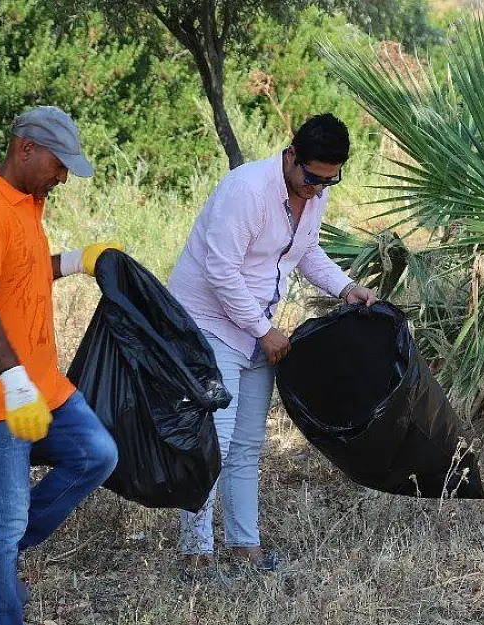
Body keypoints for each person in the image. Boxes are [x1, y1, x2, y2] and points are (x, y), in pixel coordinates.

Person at [168, 113, 377, 573]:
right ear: (291, 155)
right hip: (208, 324)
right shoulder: (246, 190)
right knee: (213, 442)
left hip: (256, 329)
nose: (317, 189)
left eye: (329, 181)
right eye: (311, 177)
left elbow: (307, 251)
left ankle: (245, 546)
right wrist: (264, 332)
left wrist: (346, 288)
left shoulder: (313, 195)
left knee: (247, 443)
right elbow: (220, 270)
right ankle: (195, 554)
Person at [0, 105, 121, 625]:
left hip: (44, 384)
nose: (62, 176)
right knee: (5, 520)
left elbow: (21, 273)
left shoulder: (26, 200)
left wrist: (75, 261)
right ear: (25, 149)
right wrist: (14, 381)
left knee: (96, 454)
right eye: (58, 164)